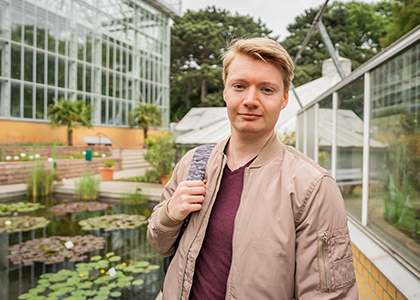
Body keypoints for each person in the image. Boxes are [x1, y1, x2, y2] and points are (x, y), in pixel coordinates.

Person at [147, 37, 358, 300]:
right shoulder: (193, 163)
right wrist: (170, 214)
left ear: (284, 99)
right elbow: (159, 244)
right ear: (225, 92)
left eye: (266, 90)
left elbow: (329, 295)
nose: (250, 99)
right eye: (239, 86)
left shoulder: (312, 187)